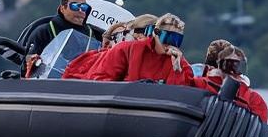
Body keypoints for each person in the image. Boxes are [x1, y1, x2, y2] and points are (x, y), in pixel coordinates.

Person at [62, 12, 194, 85]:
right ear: (156, 33)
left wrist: (177, 69)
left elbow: (181, 93)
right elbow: (101, 81)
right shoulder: (125, 49)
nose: (171, 44)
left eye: (177, 40)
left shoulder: (179, 61)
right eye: (168, 37)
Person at [24, 0, 93, 76]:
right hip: (49, 83)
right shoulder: (43, 31)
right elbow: (27, 66)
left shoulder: (92, 33)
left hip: (84, 84)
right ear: (62, 8)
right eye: (75, 6)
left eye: (84, 7)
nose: (80, 11)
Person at [195, 44, 268, 123]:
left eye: (238, 65)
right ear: (219, 65)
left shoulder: (253, 99)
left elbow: (259, 128)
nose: (232, 70)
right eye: (228, 64)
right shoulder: (202, 84)